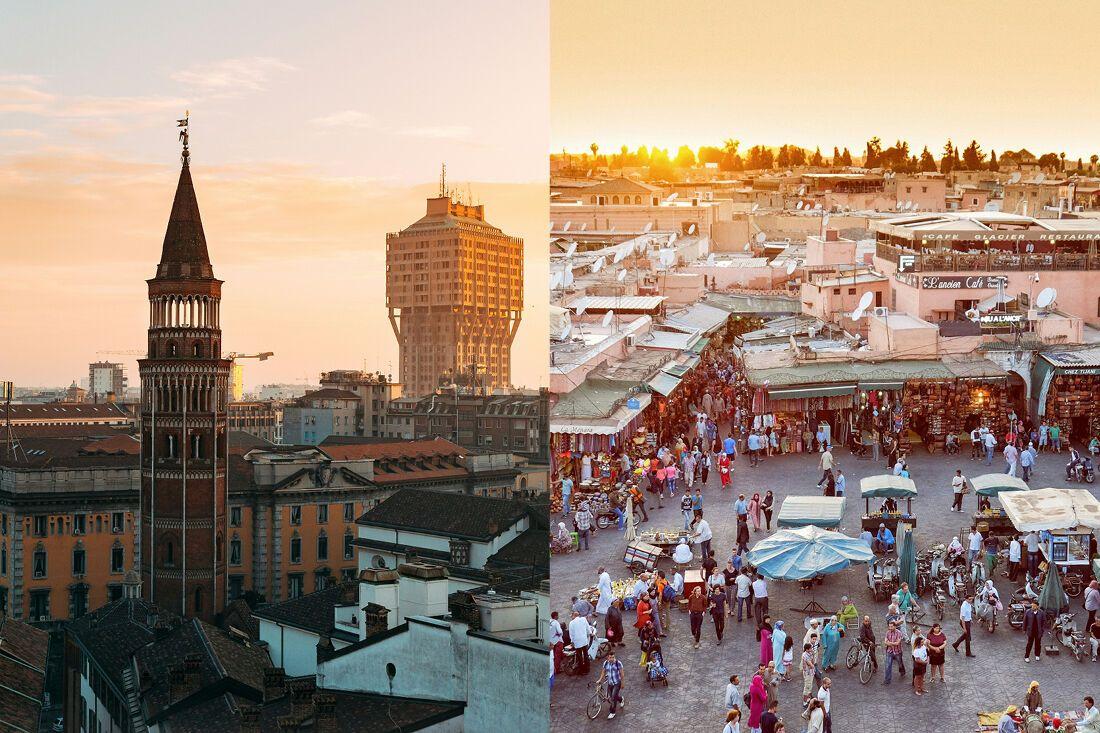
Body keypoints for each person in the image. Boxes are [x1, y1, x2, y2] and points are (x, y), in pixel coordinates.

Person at [596, 649, 624, 719]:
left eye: (613, 657)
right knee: (612, 696)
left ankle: (612, 712)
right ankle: (621, 699)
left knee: (613, 698)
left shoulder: (618, 663)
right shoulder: (605, 663)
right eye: (610, 657)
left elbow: (622, 674)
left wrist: (623, 683)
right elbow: (603, 672)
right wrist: (600, 679)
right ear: (607, 657)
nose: (612, 659)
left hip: (617, 683)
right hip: (610, 683)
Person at [567, 610, 594, 675]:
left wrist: (572, 641)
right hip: (584, 641)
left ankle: (582, 670)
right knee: (585, 655)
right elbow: (588, 628)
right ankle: (587, 669)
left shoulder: (571, 623)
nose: (571, 617)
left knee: (580, 657)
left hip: (577, 642)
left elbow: (571, 634)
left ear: (574, 615)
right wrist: (590, 633)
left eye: (572, 616)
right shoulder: (583, 619)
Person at [883, 619, 906, 684]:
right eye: (889, 626)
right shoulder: (887, 632)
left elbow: (897, 643)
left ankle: (902, 671)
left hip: (898, 652)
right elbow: (885, 642)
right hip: (889, 651)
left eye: (891, 626)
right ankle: (887, 679)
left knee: (900, 663)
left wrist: (889, 643)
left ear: (895, 626)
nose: (890, 628)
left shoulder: (899, 633)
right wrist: (892, 643)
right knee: (888, 665)